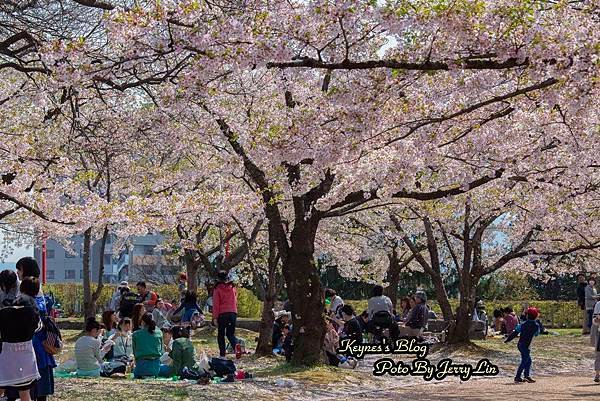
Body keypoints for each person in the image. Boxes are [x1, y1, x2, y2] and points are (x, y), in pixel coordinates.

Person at [16, 257, 56, 401]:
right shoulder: (37, 286)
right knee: (39, 383)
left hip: (33, 341)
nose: (18, 273)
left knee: (30, 382)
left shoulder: (27, 288)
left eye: (19, 269)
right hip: (40, 342)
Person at [0, 277, 42, 401]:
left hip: (7, 353)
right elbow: (38, 327)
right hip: (25, 354)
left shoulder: (7, 308)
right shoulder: (33, 307)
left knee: (1, 386)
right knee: (25, 393)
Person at [505, 307, 541, 383]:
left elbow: (515, 332)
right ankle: (518, 376)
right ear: (536, 316)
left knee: (528, 361)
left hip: (520, 344)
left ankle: (526, 376)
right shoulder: (536, 325)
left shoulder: (523, 324)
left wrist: (508, 340)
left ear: (527, 316)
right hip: (526, 345)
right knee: (525, 361)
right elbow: (537, 334)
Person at [212, 270, 238, 358]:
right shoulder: (232, 287)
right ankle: (236, 347)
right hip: (233, 312)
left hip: (223, 313)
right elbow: (235, 300)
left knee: (221, 334)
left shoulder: (217, 288)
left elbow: (216, 304)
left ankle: (222, 354)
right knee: (230, 334)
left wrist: (215, 317)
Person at [132, 313, 164, 378]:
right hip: (155, 368)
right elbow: (162, 350)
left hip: (141, 367)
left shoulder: (136, 334)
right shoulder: (159, 333)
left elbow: (134, 352)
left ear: (142, 322)